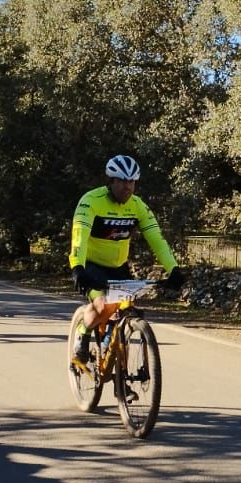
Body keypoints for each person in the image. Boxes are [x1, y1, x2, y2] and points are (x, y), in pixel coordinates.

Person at [68, 154, 186, 362]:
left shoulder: (138, 206)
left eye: (131, 181)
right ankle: (83, 331)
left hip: (119, 267)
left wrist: (173, 269)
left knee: (126, 309)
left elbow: (156, 239)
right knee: (105, 305)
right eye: (122, 181)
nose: (127, 187)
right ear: (111, 181)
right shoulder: (91, 201)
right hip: (91, 265)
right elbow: (80, 235)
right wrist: (77, 267)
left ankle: (119, 373)